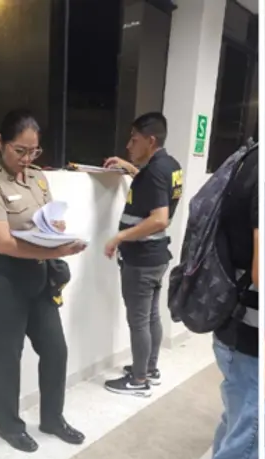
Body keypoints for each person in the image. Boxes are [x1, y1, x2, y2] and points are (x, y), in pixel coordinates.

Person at [0, 109, 88, 453]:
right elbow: (0, 242)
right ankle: (10, 426)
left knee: (55, 349)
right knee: (9, 355)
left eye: (33, 151)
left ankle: (52, 418)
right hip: (4, 280)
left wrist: (55, 229)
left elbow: (46, 218)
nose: (26, 159)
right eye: (19, 150)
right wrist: (59, 251)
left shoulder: (38, 177)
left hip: (39, 276)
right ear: (0, 142)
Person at [196, 145, 260, 459]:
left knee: (236, 424)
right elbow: (262, 271)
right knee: (246, 444)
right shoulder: (259, 175)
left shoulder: (243, 160)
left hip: (234, 328)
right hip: (249, 336)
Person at [102, 112, 183, 396]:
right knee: (150, 317)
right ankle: (150, 369)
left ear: (150, 141)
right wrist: (129, 167)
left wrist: (119, 237)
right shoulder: (169, 166)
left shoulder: (156, 171)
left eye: (134, 140)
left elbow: (159, 219)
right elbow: (152, 188)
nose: (129, 145)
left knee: (139, 321)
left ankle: (138, 381)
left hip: (142, 258)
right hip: (156, 256)